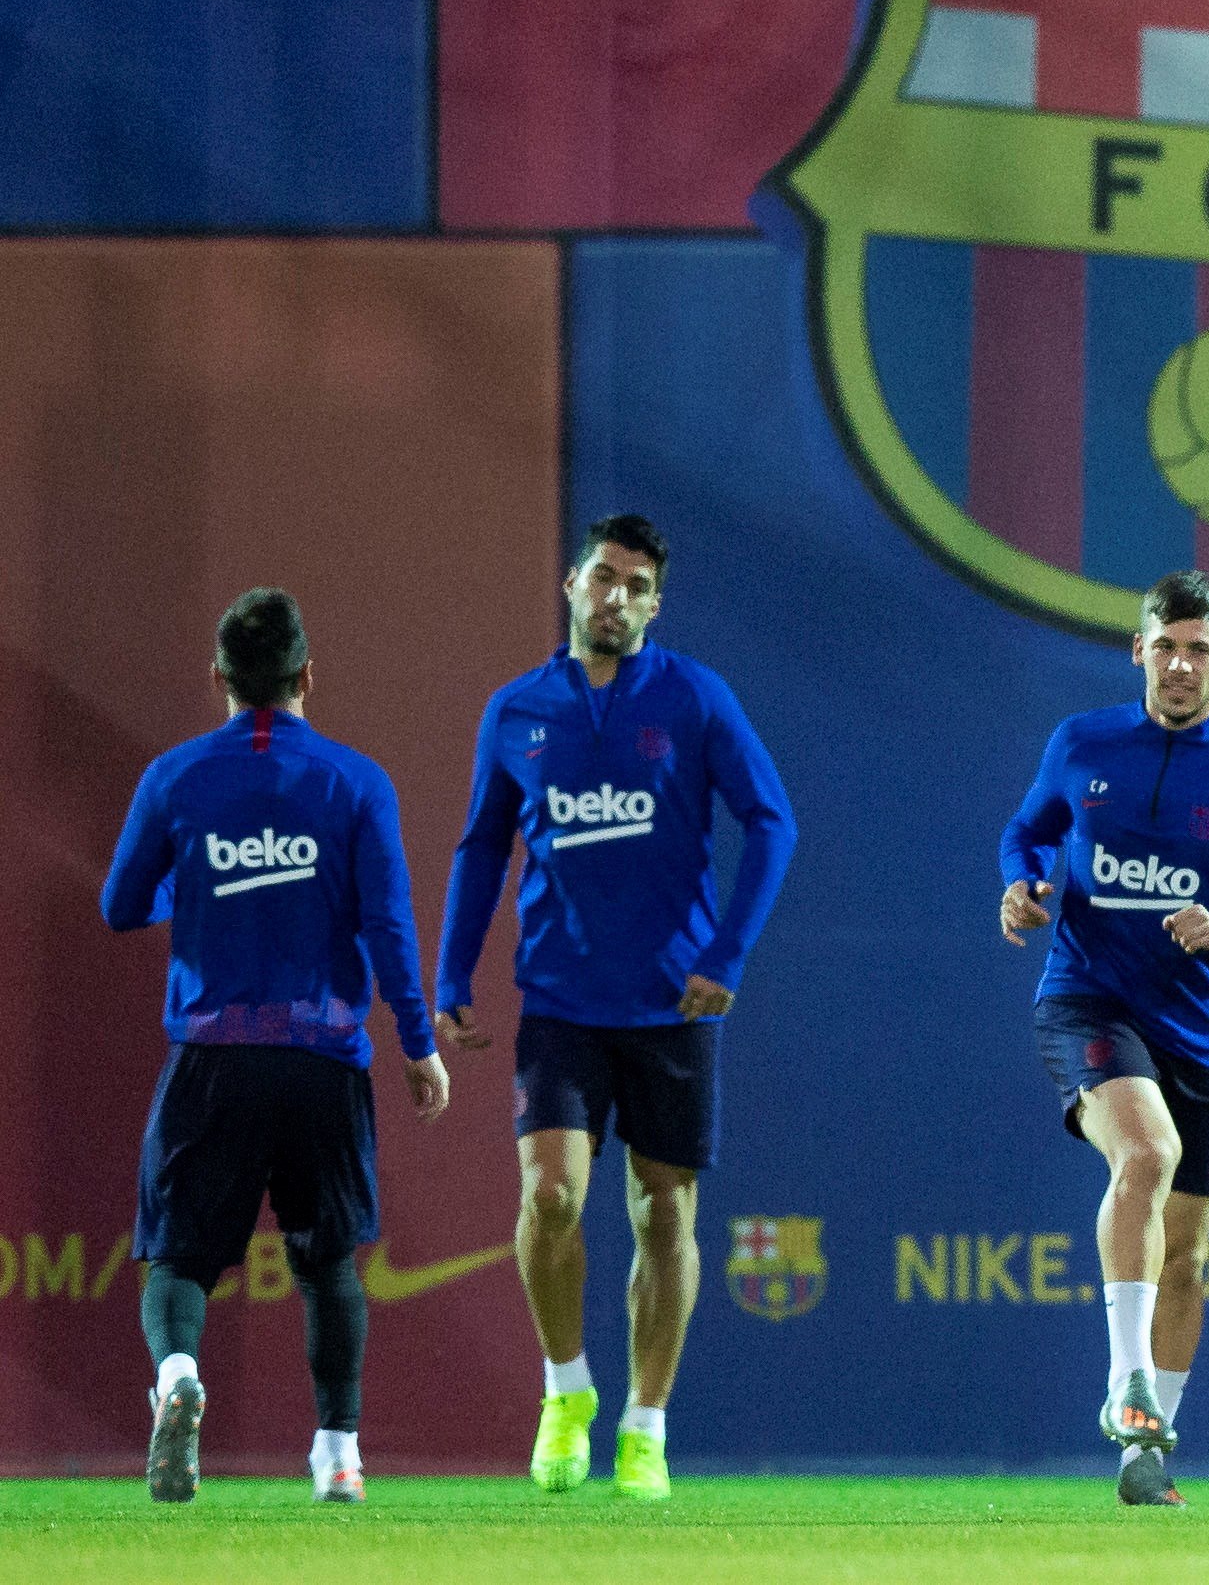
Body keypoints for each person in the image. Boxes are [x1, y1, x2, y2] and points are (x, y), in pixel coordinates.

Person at [436, 514, 798, 1501]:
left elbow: (772, 820)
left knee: (663, 1214)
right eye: (605, 577)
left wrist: (725, 953)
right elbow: (480, 848)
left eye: (638, 586)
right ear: (572, 582)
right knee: (550, 1196)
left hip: (672, 1002)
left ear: (654, 604)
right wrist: (451, 976)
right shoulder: (518, 710)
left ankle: (646, 1422)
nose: (618, 597)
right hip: (560, 999)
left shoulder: (693, 699)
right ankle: (566, 1393)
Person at [101, 588, 451, 1504]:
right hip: (321, 1058)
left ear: (218, 677)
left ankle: (178, 1377)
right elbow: (387, 924)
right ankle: (337, 1457)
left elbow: (121, 905)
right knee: (327, 1260)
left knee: (178, 1258)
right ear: (307, 675)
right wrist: (419, 1042)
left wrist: (214, 887)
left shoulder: (176, 778)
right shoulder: (356, 780)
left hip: (214, 1054)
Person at [1000, 570, 1209, 1508]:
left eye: (1199, 649)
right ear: (1135, 650)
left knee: (1184, 1256)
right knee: (1146, 1153)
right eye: (1164, 646)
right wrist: (1023, 884)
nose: (1180, 664)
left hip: (1195, 1029)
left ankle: (1146, 1454)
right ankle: (1124, 1381)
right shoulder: (1083, 743)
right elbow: (1027, 832)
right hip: (1086, 1002)